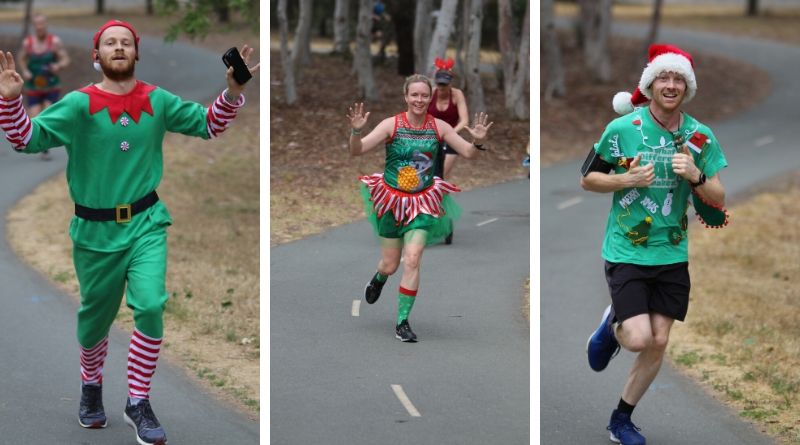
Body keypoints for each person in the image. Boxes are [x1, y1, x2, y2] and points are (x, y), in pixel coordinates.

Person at [0, 20, 258, 445]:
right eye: (109, 44)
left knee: (151, 304)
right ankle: (91, 386)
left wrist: (231, 91)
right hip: (93, 232)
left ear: (137, 53)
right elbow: (27, 139)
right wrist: (11, 103)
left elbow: (209, 124)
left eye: (125, 43)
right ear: (94, 55)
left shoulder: (157, 100)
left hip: (146, 223)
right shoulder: (78, 104)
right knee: (94, 323)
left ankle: (138, 400)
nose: (118, 48)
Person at [580, 44, 728, 445]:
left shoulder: (699, 135)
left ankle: (621, 419)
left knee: (660, 340)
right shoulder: (623, 129)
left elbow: (718, 197)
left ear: (687, 88)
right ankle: (613, 326)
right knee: (639, 338)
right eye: (664, 77)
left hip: (672, 251)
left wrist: (696, 175)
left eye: (679, 79)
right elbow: (588, 179)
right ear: (649, 84)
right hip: (627, 248)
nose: (671, 85)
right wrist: (625, 180)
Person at [347, 74, 492, 342]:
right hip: (391, 201)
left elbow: (469, 153)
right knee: (391, 265)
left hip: (423, 203)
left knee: (412, 258)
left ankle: (402, 321)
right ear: (406, 97)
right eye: (414, 95)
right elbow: (357, 150)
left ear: (430, 98)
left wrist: (478, 141)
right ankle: (380, 277)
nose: (419, 100)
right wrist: (356, 131)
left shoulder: (439, 127)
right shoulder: (391, 124)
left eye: (425, 95)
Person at [17, 13, 70, 160]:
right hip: (33, 86)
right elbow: (21, 59)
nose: (40, 27)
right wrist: (25, 70)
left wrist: (58, 65)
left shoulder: (54, 42)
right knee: (35, 116)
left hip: (51, 85)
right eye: (37, 24)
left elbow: (65, 59)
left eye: (42, 24)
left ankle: (45, 147)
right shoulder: (28, 43)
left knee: (47, 113)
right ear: (34, 26)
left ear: (45, 25)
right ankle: (39, 142)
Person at [427, 57, 469, 244]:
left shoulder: (457, 95)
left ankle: (445, 220)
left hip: (451, 139)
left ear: (450, 82)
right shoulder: (431, 94)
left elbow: (464, 120)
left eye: (445, 85)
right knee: (424, 180)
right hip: (431, 139)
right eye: (439, 85)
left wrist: (450, 133)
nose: (442, 88)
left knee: (439, 180)